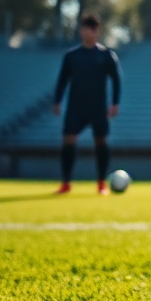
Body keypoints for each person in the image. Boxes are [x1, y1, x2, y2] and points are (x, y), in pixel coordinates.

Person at [52, 13, 121, 195]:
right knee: (68, 140)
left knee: (101, 142)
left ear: (95, 31)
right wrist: (57, 100)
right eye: (83, 29)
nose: (85, 32)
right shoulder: (72, 56)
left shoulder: (106, 55)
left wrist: (115, 103)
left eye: (89, 29)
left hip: (98, 107)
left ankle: (101, 184)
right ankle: (66, 182)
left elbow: (116, 80)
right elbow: (62, 80)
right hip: (76, 106)